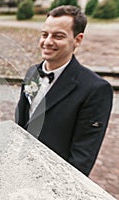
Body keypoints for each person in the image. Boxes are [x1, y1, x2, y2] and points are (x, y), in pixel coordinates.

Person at [15, 5, 113, 176]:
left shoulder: (96, 90)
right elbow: (21, 125)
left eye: (58, 36)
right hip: (20, 170)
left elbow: (82, 159)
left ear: (77, 39)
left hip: (54, 180)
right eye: (44, 34)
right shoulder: (32, 73)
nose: (47, 42)